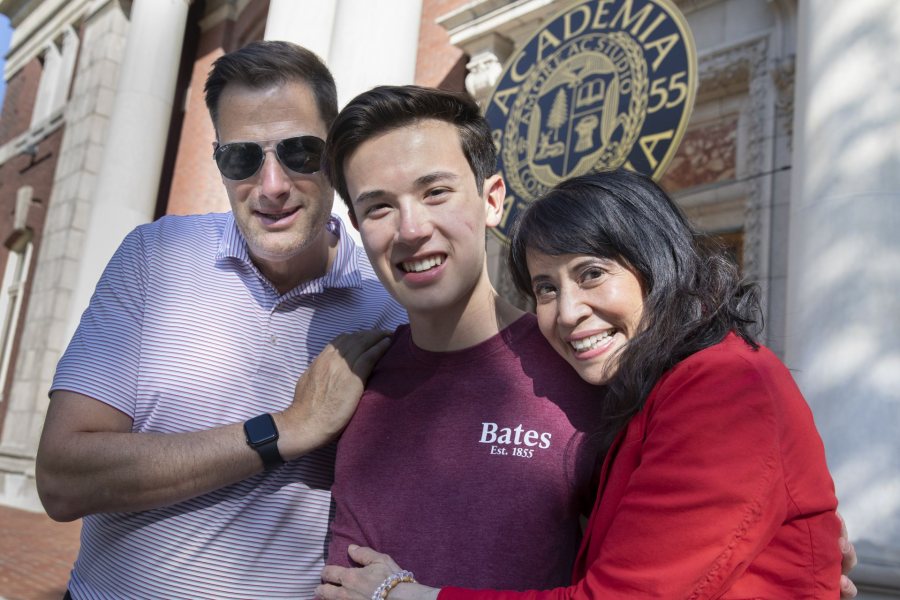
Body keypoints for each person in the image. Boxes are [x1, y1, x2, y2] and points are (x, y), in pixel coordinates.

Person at [317, 168, 849, 599]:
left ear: (656, 263)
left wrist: (404, 593)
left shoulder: (724, 385)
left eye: (592, 273)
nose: (568, 312)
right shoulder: (649, 388)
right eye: (546, 288)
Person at [34, 41, 406, 599]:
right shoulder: (154, 255)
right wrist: (286, 428)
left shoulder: (388, 307)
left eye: (300, 151)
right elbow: (62, 478)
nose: (273, 185)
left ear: (336, 153)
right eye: (242, 158)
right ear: (219, 162)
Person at [319, 85, 606, 590]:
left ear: (492, 200)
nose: (411, 229)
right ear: (359, 227)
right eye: (379, 207)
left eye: (435, 193)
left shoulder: (582, 373)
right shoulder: (347, 380)